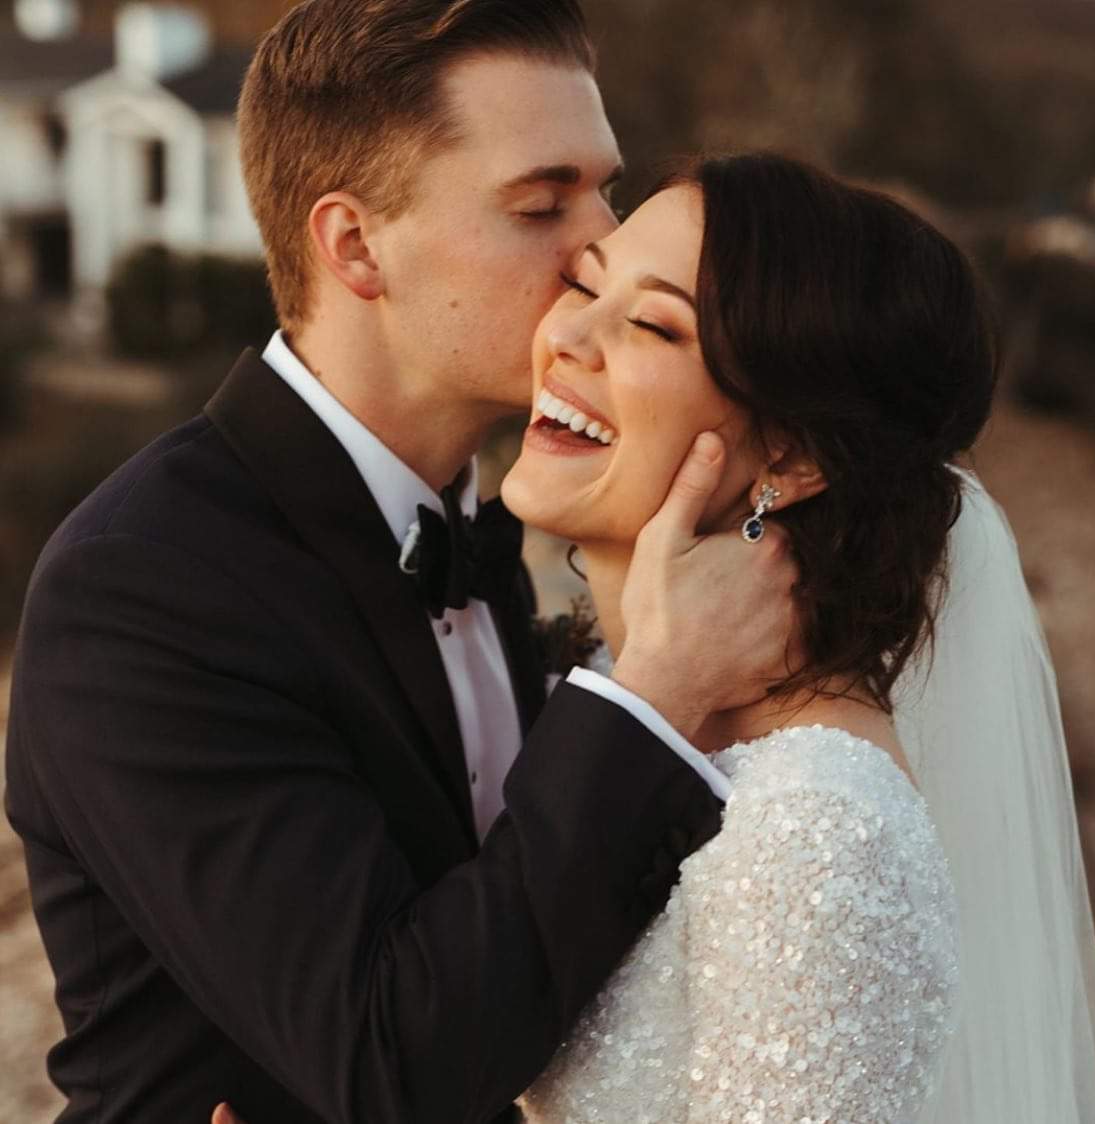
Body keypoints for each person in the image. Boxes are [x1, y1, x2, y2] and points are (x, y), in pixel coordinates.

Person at [3, 4, 800, 1123]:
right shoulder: (145, 586)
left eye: (603, 191)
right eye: (541, 202)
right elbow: (391, 1061)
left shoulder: (475, 538)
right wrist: (653, 697)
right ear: (355, 245)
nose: (596, 250)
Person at [499, 154, 1095, 1122]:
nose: (564, 336)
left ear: (786, 455)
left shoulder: (816, 831)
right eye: (584, 284)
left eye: (652, 323)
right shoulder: (597, 698)